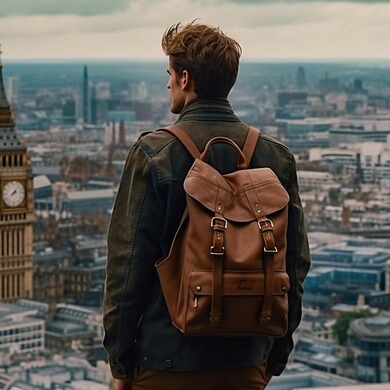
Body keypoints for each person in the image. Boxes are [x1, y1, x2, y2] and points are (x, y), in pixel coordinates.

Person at [103, 21, 310, 390]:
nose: (167, 84)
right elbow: (294, 265)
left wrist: (120, 364)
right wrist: (273, 359)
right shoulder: (276, 157)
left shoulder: (153, 153)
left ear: (186, 79)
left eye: (169, 74)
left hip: (165, 362)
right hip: (247, 363)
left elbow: (127, 266)